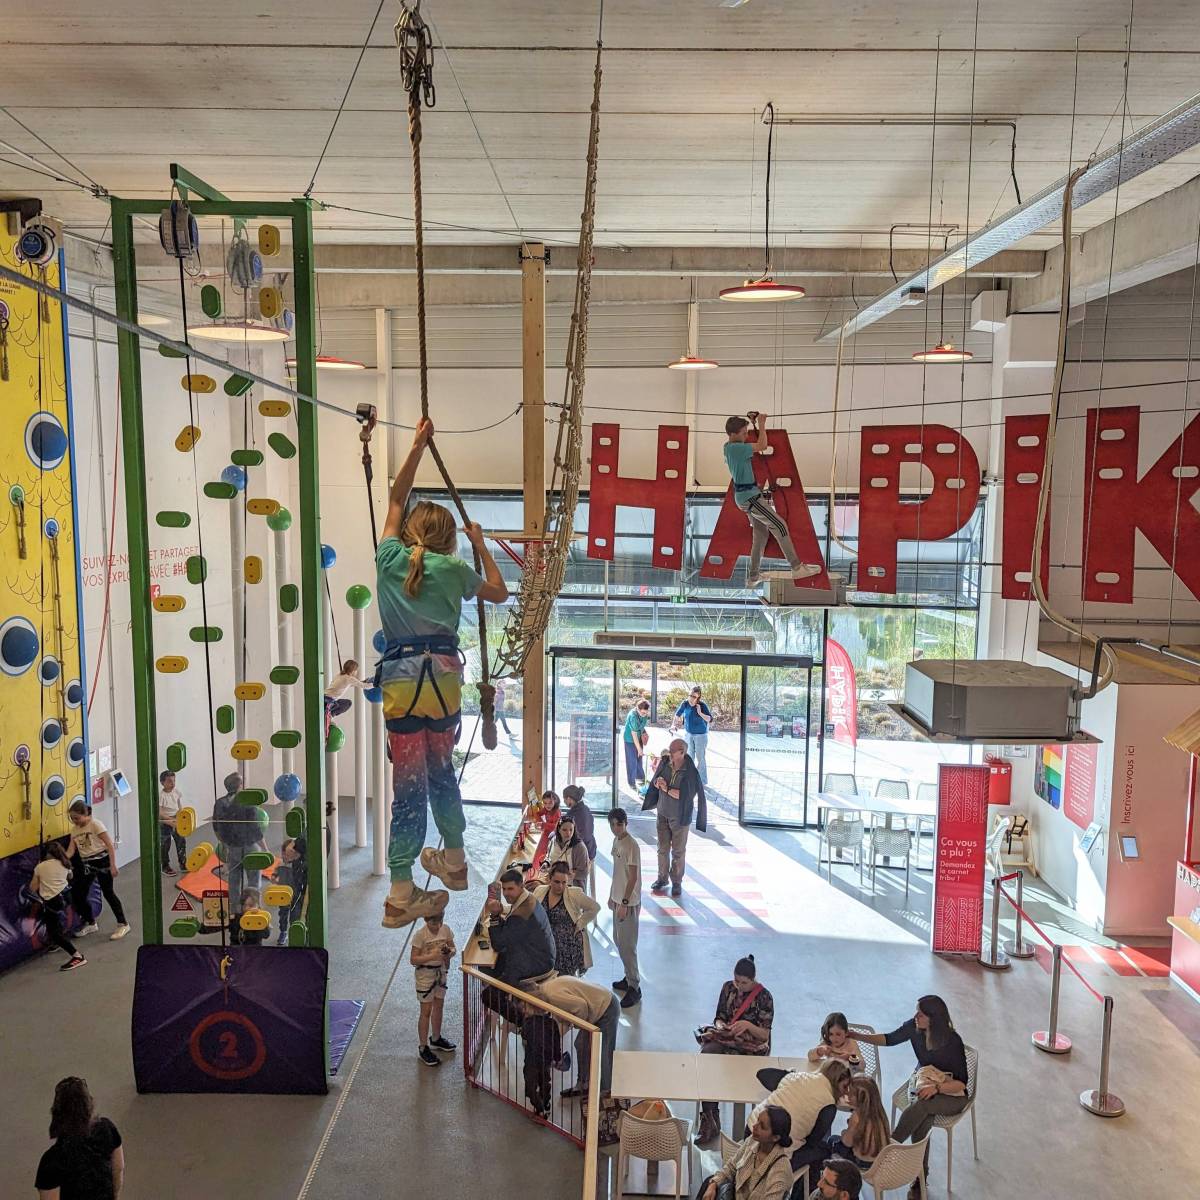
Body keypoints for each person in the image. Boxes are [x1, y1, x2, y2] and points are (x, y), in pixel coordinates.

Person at [376, 417, 509, 928]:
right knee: (442, 776)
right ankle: (454, 860)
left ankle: (401, 886)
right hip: (444, 684)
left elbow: (395, 499)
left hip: (402, 681)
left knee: (407, 786)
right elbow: (498, 592)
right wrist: (480, 545)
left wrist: (416, 447)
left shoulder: (388, 558)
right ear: (448, 540)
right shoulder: (454, 569)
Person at [855, 995, 970, 1198]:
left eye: (921, 1013)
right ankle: (920, 1176)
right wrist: (857, 1036)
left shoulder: (953, 1041)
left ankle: (886, 1147)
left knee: (923, 1107)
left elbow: (961, 1083)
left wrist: (937, 1088)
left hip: (951, 1094)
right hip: (923, 1084)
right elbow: (889, 1039)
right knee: (922, 1119)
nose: (915, 1016)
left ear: (934, 1018)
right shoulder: (915, 1028)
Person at [723, 412, 820, 587]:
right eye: (743, 433)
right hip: (750, 497)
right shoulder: (737, 448)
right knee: (780, 525)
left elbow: (755, 445)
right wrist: (761, 423)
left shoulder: (728, 447)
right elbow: (763, 445)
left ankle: (753, 576)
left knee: (761, 534)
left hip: (747, 496)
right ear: (732, 434)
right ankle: (796, 567)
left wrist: (754, 425)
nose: (746, 436)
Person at [695, 954, 774, 1145]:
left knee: (735, 1069)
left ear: (753, 980)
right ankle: (709, 1115)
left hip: (751, 1046)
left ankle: (742, 1128)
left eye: (744, 983)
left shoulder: (765, 997)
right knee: (707, 1057)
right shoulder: (728, 988)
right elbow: (719, 1016)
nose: (739, 986)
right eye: (736, 981)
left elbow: (764, 1035)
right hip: (728, 1039)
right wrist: (722, 1025)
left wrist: (746, 1025)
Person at [749, 1059, 852, 1181]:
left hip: (750, 1131)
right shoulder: (828, 1106)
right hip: (772, 1156)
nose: (846, 1093)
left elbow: (763, 1074)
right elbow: (812, 1142)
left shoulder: (796, 1077)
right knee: (823, 1150)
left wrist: (787, 1076)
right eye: (845, 1087)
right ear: (835, 1081)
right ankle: (805, 1193)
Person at [528, 973, 620, 1098]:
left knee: (601, 1052)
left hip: (606, 1007)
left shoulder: (553, 997)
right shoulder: (545, 989)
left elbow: (581, 1007)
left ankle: (606, 1092)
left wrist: (576, 1025)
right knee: (581, 1045)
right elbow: (564, 1017)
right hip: (596, 1004)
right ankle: (583, 1084)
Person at [34, 1076, 124, 1200]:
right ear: (89, 1104)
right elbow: (119, 1167)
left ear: (57, 1113)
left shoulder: (51, 1161)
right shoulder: (107, 1129)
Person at [643, 737, 707, 897]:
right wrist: (658, 782)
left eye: (672, 751)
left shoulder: (690, 771)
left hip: (679, 817)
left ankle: (677, 882)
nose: (669, 753)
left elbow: (685, 795)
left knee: (678, 851)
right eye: (669, 750)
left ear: (682, 752)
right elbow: (658, 780)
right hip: (663, 813)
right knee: (662, 849)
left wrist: (665, 789)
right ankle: (662, 878)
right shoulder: (665, 763)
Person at [697, 1105, 794, 1200]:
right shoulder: (752, 1141)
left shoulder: (780, 1170)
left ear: (775, 1137)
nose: (755, 1126)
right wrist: (713, 1184)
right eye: (757, 1121)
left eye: (762, 1126)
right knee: (709, 1182)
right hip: (734, 1194)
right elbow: (731, 1167)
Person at [66, 800, 129, 941]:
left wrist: (113, 865)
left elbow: (109, 845)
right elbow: (71, 850)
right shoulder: (74, 830)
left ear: (86, 814)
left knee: (108, 893)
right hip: (87, 864)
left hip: (102, 862)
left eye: (77, 818)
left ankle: (123, 923)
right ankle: (91, 922)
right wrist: (60, 859)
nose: (75, 821)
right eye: (72, 818)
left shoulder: (95, 824)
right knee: (79, 894)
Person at [483, 868, 556, 987]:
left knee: (490, 991)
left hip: (537, 963)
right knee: (498, 963)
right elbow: (510, 930)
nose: (506, 893)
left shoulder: (521, 915)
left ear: (521, 886)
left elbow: (498, 945)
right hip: (544, 955)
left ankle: (506, 1002)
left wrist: (495, 916)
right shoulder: (528, 898)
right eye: (504, 889)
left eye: (510, 889)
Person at [212, 772, 269, 918]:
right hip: (249, 845)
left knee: (234, 879)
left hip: (233, 847)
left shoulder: (220, 803)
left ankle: (235, 910)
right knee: (254, 879)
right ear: (240, 785)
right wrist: (265, 849)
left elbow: (217, 827)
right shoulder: (248, 802)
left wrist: (225, 844)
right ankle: (254, 909)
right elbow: (256, 828)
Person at [533, 861, 600, 977]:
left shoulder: (574, 894)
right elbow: (528, 907)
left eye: (564, 882)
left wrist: (580, 923)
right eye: (557, 882)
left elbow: (595, 907)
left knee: (565, 980)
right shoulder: (540, 891)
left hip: (567, 945)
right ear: (549, 879)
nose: (560, 886)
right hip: (546, 941)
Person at [411, 910, 457, 1066]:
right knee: (426, 1011)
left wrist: (449, 953)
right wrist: (432, 955)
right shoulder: (420, 935)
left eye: (440, 922)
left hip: (441, 972)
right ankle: (423, 1047)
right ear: (425, 919)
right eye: (433, 923)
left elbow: (453, 948)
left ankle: (436, 1038)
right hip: (425, 976)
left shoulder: (446, 929)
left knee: (439, 1005)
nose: (437, 926)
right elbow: (414, 959)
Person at [607, 807, 642, 1008]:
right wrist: (612, 896)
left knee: (628, 946)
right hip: (618, 899)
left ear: (625, 823)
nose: (615, 828)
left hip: (628, 903)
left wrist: (625, 902)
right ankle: (628, 977)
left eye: (619, 824)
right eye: (612, 825)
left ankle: (634, 987)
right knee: (618, 940)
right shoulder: (616, 841)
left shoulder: (631, 845)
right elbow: (616, 872)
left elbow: (633, 877)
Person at [31, 843, 85, 971]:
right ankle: (57, 942)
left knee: (53, 932)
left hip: (53, 901)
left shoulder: (40, 867)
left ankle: (77, 956)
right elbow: (70, 876)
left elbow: (32, 888)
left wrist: (39, 872)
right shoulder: (65, 863)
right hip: (66, 897)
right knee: (54, 921)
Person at [825, 1076, 890, 1170]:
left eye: (851, 1094)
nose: (847, 1096)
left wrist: (844, 1132)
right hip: (879, 1159)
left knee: (831, 1140)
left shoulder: (857, 1117)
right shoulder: (880, 1112)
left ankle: (833, 1173)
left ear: (860, 1098)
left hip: (862, 1161)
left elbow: (847, 1142)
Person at [670, 685, 713, 784]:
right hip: (688, 734)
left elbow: (710, 719)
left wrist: (700, 712)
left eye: (694, 697)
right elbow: (677, 715)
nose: (691, 698)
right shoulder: (685, 703)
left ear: (698, 698)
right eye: (690, 695)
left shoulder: (702, 706)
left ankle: (702, 781)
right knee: (689, 757)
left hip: (700, 736)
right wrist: (673, 725)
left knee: (700, 758)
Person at [275, 836, 308, 946]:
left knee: (295, 914)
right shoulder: (280, 864)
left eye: (288, 854)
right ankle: (283, 931)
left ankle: (294, 932)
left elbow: (301, 878)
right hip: (282, 895)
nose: (286, 856)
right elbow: (274, 875)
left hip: (295, 894)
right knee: (283, 914)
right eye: (284, 853)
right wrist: (274, 879)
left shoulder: (298, 863)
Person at [324, 658, 367, 736]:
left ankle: (331, 714)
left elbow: (350, 684)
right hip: (328, 700)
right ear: (353, 670)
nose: (357, 672)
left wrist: (362, 682)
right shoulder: (349, 678)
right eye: (356, 670)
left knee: (347, 703)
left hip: (326, 698)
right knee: (347, 704)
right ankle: (330, 715)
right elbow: (364, 686)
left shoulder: (340, 675)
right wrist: (376, 684)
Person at [543, 815, 589, 888]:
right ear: (558, 829)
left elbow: (584, 872)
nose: (568, 833)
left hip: (571, 886)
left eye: (571, 830)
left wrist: (571, 874)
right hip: (552, 883)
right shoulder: (553, 841)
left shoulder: (580, 848)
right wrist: (546, 863)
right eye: (564, 830)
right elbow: (548, 857)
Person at [157, 769, 186, 877]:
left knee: (181, 841)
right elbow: (160, 813)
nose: (173, 783)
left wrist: (180, 816)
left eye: (174, 780)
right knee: (165, 844)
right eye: (169, 781)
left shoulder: (176, 791)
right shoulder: (161, 796)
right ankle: (165, 866)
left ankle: (183, 863)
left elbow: (179, 805)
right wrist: (171, 821)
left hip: (176, 818)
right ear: (162, 783)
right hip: (165, 821)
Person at [562, 784, 597, 866]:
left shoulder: (573, 815)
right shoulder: (585, 808)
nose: (564, 802)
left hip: (581, 853)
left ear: (569, 799)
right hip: (591, 848)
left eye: (564, 800)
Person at [621, 698, 651, 791]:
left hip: (639, 737)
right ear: (637, 709)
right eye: (642, 713)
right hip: (630, 739)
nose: (644, 714)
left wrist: (644, 733)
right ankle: (631, 782)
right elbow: (633, 734)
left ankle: (640, 777)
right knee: (632, 761)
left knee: (639, 758)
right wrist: (639, 749)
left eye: (646, 713)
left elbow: (641, 725)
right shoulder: (633, 716)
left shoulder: (644, 714)